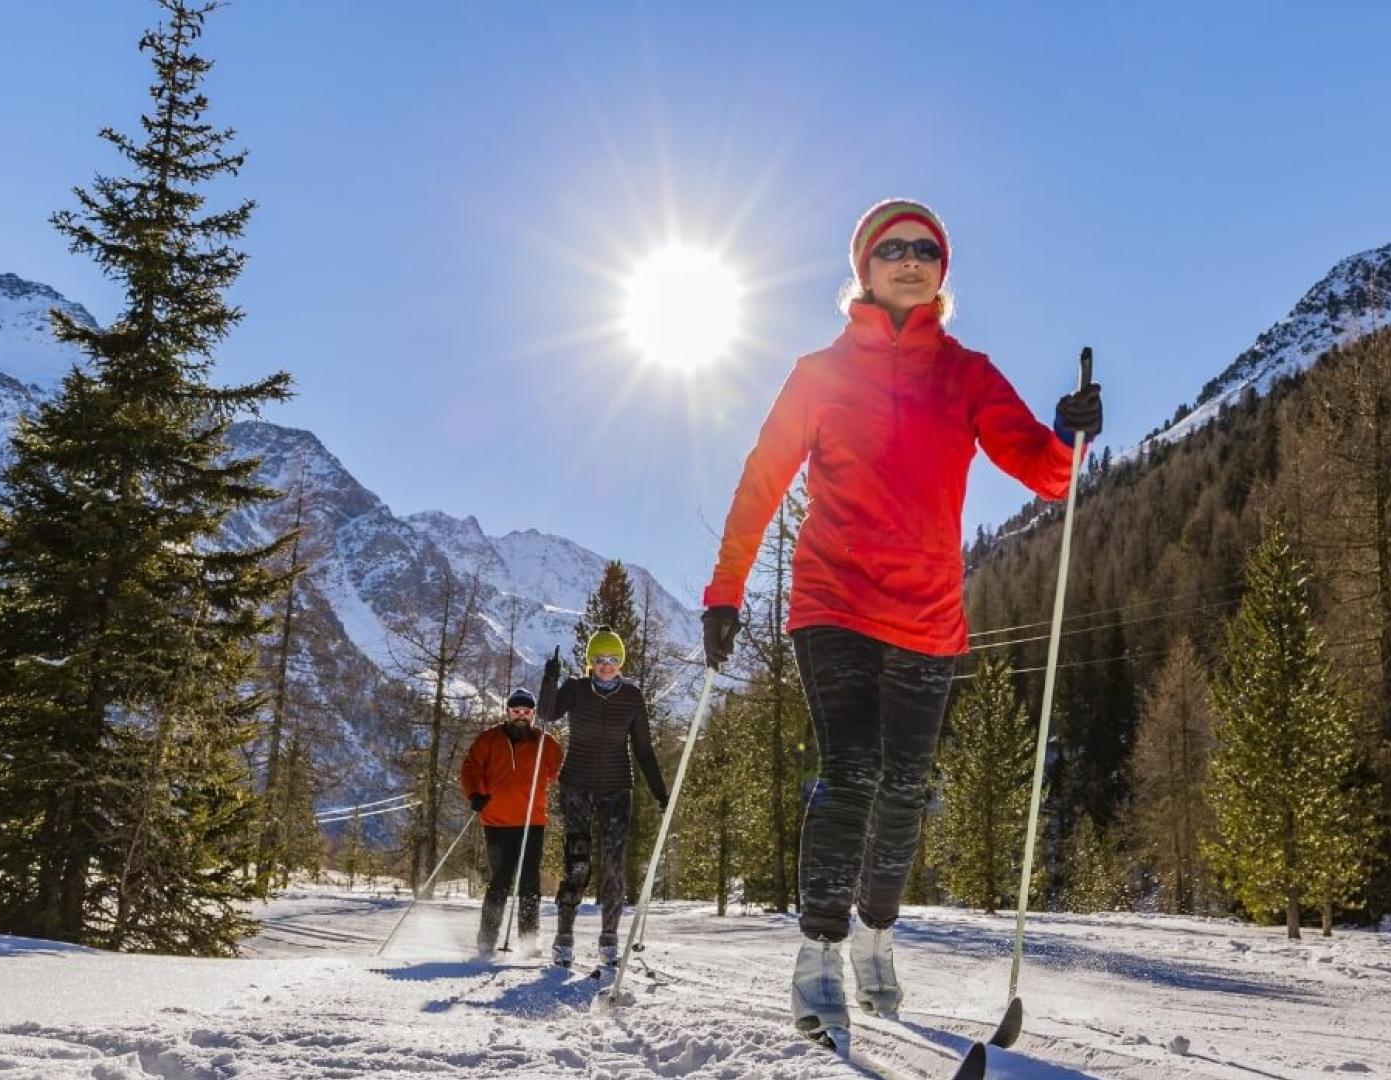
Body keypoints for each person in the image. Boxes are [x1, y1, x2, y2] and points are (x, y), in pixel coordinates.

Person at [699, 198, 1101, 1051]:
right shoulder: (818, 373)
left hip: (927, 616)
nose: (911, 260)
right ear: (864, 267)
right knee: (852, 769)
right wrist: (725, 590)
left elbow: (1044, 471)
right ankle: (817, 955)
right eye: (893, 249)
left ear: (941, 272)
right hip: (834, 601)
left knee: (907, 791)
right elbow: (762, 479)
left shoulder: (966, 373)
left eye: (926, 250)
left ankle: (877, 931)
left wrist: (1069, 437)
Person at [538, 630, 669, 971]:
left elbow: (643, 750)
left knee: (613, 865)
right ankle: (564, 938)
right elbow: (548, 713)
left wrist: (660, 792)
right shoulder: (577, 689)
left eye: (613, 660)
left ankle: (609, 939)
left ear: (620, 662)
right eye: (600, 660)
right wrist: (550, 679)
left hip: (616, 788)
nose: (606, 666)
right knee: (578, 864)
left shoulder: (632, 697)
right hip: (576, 785)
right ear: (591, 663)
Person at [458, 686, 563, 959]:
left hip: (532, 822)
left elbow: (560, 770)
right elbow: (469, 768)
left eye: (526, 712)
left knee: (529, 881)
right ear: (507, 713)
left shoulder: (545, 743)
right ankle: (487, 940)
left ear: (533, 715)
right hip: (496, 822)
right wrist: (475, 795)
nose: (521, 717)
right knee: (500, 881)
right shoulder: (489, 740)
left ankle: (529, 939)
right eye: (516, 711)